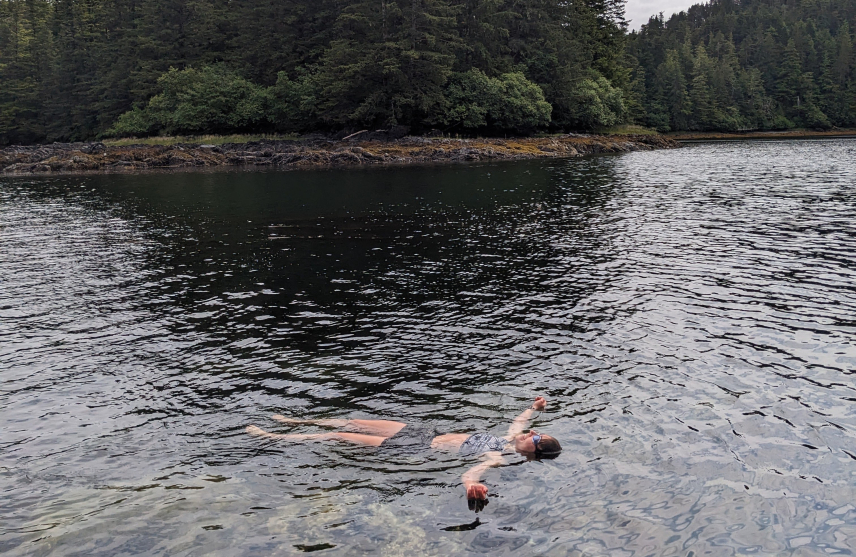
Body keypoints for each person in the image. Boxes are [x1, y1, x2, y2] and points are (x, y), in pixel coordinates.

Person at [246, 396, 561, 505]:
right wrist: (534, 408)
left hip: (415, 447)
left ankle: (274, 437)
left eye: (535, 439)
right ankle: (293, 419)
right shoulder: (509, 439)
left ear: (531, 454)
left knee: (340, 435)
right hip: (425, 432)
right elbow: (519, 420)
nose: (531, 434)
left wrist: (471, 487)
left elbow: (471, 472)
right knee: (354, 420)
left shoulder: (495, 457)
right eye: (536, 433)